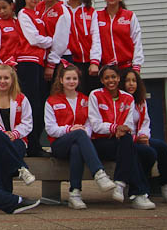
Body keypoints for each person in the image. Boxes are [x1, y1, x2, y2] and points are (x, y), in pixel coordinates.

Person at [44, 62, 116, 209]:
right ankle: (99, 173)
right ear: (61, 80)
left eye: (74, 79)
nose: (71, 82)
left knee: (77, 148)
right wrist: (70, 129)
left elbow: (90, 125)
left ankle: (75, 194)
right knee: (78, 134)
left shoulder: (85, 100)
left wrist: (82, 132)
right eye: (68, 78)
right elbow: (51, 129)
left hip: (80, 143)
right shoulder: (52, 101)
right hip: (59, 145)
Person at [88, 65, 155, 210]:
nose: (110, 80)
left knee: (135, 147)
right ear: (102, 80)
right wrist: (114, 128)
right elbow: (96, 125)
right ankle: (137, 192)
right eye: (106, 78)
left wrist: (121, 129)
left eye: (113, 77)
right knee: (130, 148)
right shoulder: (95, 95)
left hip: (120, 141)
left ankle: (121, 185)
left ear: (118, 78)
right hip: (100, 142)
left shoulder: (128, 98)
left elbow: (128, 125)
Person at [121, 68, 167, 204]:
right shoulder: (120, 101)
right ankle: (138, 187)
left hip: (140, 138)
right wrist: (137, 139)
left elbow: (145, 122)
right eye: (127, 81)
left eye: (134, 81)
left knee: (162, 148)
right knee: (148, 153)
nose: (131, 84)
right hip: (127, 140)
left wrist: (144, 136)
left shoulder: (141, 101)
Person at [0, 64, 36, 192]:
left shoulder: (21, 98)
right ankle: (21, 167)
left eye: (6, 78)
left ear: (12, 79)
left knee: (4, 154)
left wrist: (14, 134)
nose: (2, 81)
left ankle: (2, 194)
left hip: (17, 141)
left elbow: (27, 123)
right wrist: (4, 133)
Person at [15, 0, 53, 157]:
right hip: (27, 62)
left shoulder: (37, 14)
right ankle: (31, 145)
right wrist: (51, 41)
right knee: (32, 105)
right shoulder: (23, 13)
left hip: (38, 62)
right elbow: (34, 39)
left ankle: (35, 144)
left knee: (40, 105)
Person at [64, 0, 102, 95]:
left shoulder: (90, 11)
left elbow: (96, 37)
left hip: (89, 63)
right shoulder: (62, 9)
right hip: (70, 61)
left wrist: (94, 61)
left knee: (91, 96)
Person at [97, 0, 144, 72]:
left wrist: (136, 66)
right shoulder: (97, 16)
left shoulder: (129, 16)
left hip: (126, 67)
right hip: (106, 69)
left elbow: (137, 41)